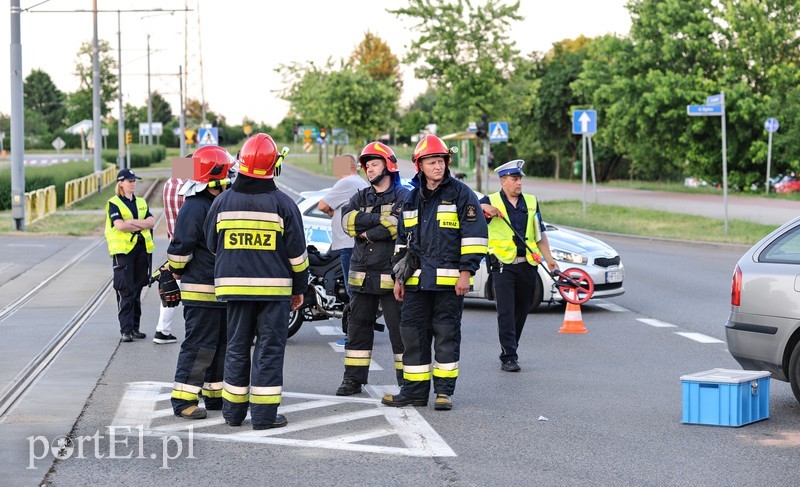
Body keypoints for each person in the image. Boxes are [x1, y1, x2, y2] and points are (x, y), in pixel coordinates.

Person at [204, 133, 308, 430]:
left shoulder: (222, 201)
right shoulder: (284, 204)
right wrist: (299, 290)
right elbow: (298, 256)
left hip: (233, 290)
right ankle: (263, 416)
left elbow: (213, 244)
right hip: (274, 293)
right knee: (269, 349)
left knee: (236, 347)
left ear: (242, 164)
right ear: (273, 166)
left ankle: (233, 414)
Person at [382, 135, 488, 411]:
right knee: (413, 336)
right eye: (431, 161)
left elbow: (475, 236)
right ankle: (414, 392)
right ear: (420, 165)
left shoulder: (462, 194)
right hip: (416, 283)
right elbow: (402, 243)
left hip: (449, 285)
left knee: (446, 336)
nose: (437, 166)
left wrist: (466, 273)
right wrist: (399, 278)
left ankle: (443, 393)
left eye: (441, 161)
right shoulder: (411, 199)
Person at [335, 142, 409, 396]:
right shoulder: (360, 196)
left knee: (400, 333)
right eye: (366, 165)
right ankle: (352, 379)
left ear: (388, 166)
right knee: (357, 330)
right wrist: (379, 220)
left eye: (374, 164)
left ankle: (407, 381)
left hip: (391, 274)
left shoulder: (403, 196)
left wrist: (366, 230)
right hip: (362, 274)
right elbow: (346, 222)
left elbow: (398, 226)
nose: (369, 169)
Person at [168, 146, 232, 420]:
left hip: (223, 289)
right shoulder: (195, 205)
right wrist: (176, 269)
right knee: (200, 345)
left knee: (221, 344)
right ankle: (184, 400)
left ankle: (215, 395)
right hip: (202, 288)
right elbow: (181, 246)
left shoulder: (224, 200)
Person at [480, 160, 558, 372]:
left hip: (528, 264)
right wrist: (484, 208)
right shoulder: (490, 200)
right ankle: (509, 356)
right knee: (505, 310)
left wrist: (549, 259)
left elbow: (539, 233)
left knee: (522, 309)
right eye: (515, 179)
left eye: (520, 178)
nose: (519, 183)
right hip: (502, 265)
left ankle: (511, 345)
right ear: (503, 180)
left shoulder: (531, 202)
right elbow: (471, 214)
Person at [317, 154, 368, 345]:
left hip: (348, 244)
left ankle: (355, 336)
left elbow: (322, 205)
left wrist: (332, 212)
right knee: (357, 290)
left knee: (352, 291)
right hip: (355, 244)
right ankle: (360, 333)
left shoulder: (347, 182)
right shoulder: (360, 182)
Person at [105, 168, 155, 342]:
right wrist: (141, 225)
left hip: (141, 250)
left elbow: (152, 221)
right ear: (121, 183)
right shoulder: (114, 203)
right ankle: (125, 330)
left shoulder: (141, 202)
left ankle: (135, 328)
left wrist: (132, 223)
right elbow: (119, 226)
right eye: (129, 181)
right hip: (124, 252)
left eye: (134, 181)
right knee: (125, 290)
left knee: (137, 290)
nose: (133, 183)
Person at [152, 176, 186, 345]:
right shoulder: (187, 189)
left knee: (170, 289)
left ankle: (162, 330)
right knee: (192, 291)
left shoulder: (169, 184)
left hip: (173, 245)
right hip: (188, 247)